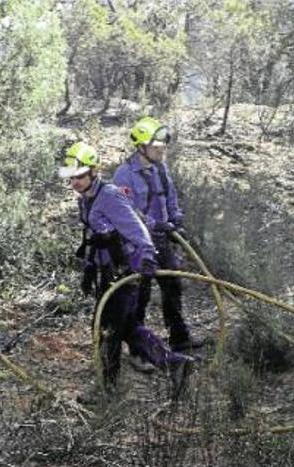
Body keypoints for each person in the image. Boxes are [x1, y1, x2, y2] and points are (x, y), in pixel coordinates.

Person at [60, 141, 192, 397]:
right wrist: (90, 267)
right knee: (129, 328)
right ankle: (174, 364)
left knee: (108, 330)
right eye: (71, 177)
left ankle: (106, 389)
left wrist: (145, 257)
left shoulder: (109, 196)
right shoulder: (86, 199)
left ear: (92, 172)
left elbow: (137, 230)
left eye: (79, 176)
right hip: (107, 273)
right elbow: (97, 236)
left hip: (124, 276)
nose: (74, 182)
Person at [113, 117, 204, 358]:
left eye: (163, 147)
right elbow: (127, 212)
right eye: (156, 147)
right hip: (138, 245)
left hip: (163, 239)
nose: (161, 151)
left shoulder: (161, 168)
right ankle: (138, 350)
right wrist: (155, 225)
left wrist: (176, 221)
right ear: (141, 147)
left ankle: (179, 338)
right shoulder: (124, 175)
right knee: (139, 295)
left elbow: (170, 197)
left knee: (173, 286)